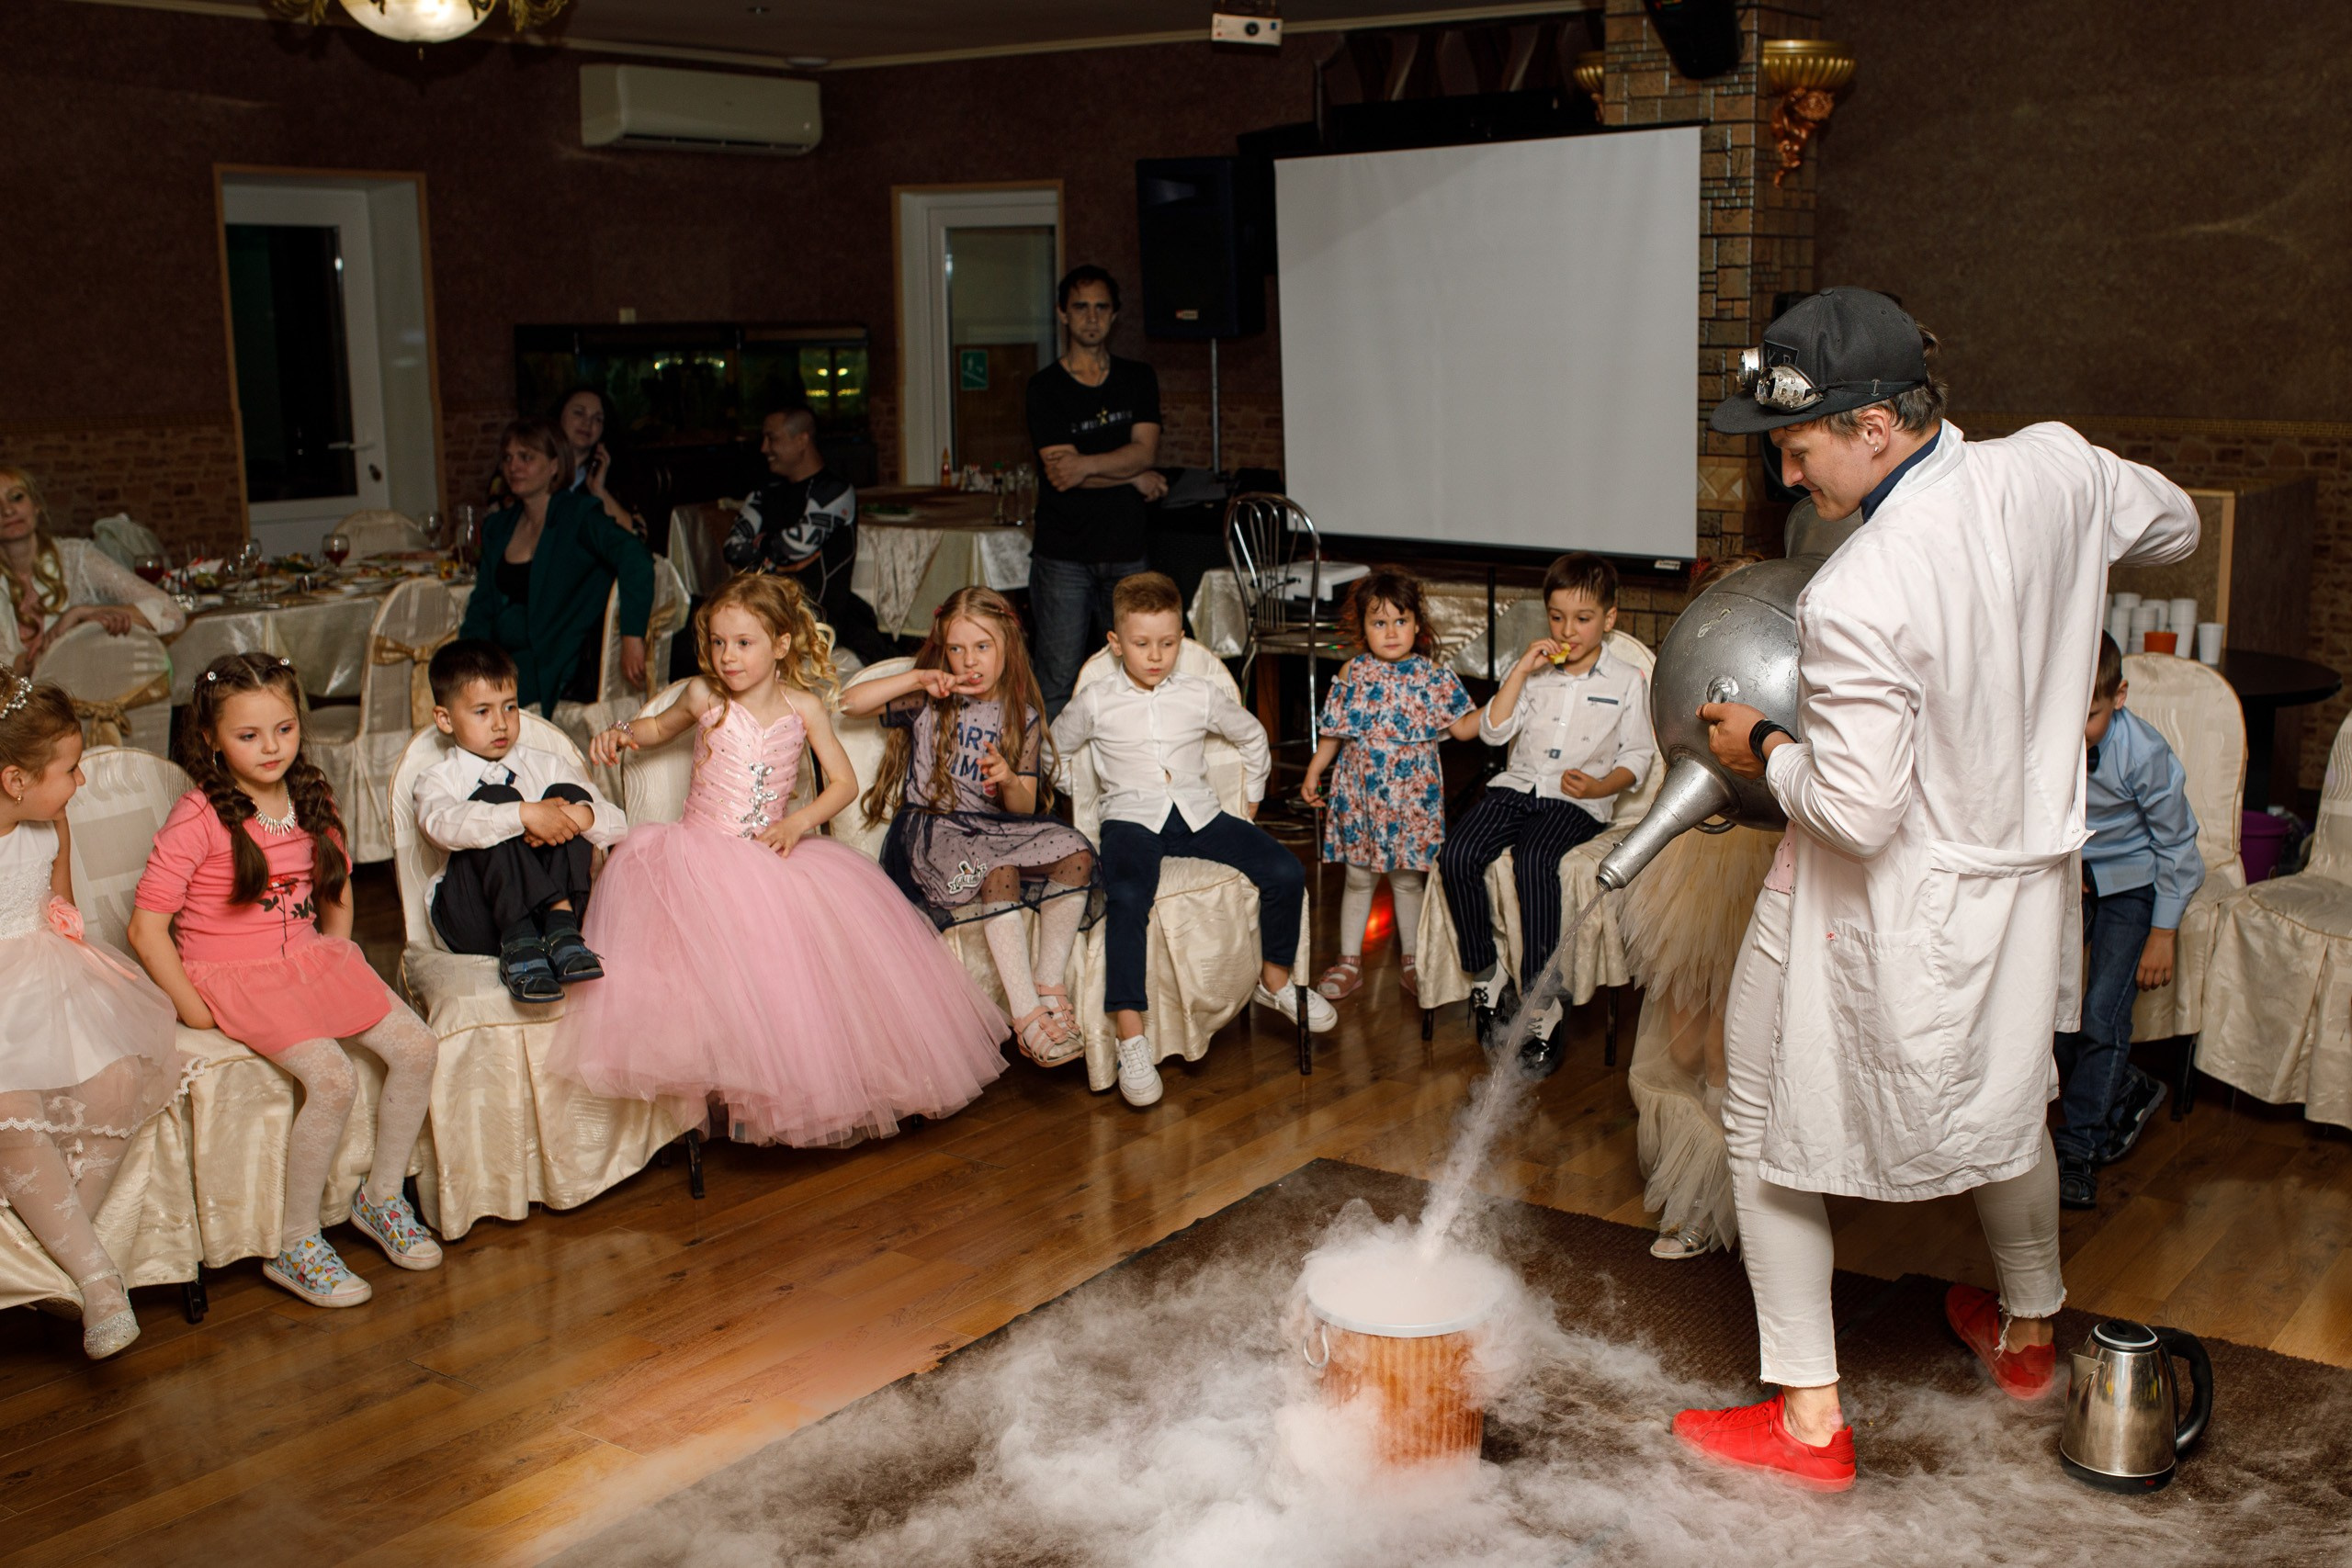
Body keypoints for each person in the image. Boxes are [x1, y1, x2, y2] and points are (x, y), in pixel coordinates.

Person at [1675, 288, 2199, 1492]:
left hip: (1890, 897)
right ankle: (2025, 1334)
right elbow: (2167, 526)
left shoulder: (1861, 590)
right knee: (2012, 1092)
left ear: (1871, 427)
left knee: (1760, 1115)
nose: (1788, 475)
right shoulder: (2058, 467)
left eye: (1795, 448)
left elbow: (1855, 808)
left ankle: (1809, 1419)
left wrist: (1763, 745)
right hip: (2028, 886)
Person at [560, 573, 1007, 1147]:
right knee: (706, 960)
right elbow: (654, 729)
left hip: (772, 856)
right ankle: (707, 1101)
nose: (727, 657)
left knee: (787, 966)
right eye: (719, 642)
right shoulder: (703, 697)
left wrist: (797, 822)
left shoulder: (804, 707)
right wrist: (620, 733)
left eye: (743, 643)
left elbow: (843, 783)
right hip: (695, 853)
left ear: (779, 644)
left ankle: (783, 1097)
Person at [128, 652, 445, 1310]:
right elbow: (145, 927)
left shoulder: (310, 793)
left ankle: (380, 1197)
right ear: (211, 737)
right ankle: (295, 1241)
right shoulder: (198, 816)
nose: (270, 747)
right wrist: (195, 1008)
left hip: (307, 957)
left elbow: (336, 888)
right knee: (331, 1077)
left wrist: (336, 960)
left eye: (284, 729)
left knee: (418, 1046)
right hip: (236, 975)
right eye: (248, 735)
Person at [1049, 571, 1334, 1109]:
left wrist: (1251, 797)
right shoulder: (1095, 701)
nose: (1156, 655)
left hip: (1200, 814)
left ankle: (1275, 981)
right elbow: (1051, 750)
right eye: (1141, 644)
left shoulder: (1199, 694)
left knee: (1284, 870)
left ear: (1182, 636)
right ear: (1115, 643)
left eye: (1168, 642)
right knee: (1129, 899)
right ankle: (1132, 1037)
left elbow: (1251, 735)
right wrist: (1076, 791)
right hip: (1130, 820)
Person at [0, 675, 189, 1359]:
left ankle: (57, 1267)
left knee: (116, 1082)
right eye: (71, 769)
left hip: (48, 971)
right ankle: (97, 1277)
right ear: (15, 778)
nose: (82, 780)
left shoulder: (49, 819)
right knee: (9, 1104)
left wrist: (64, 933)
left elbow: (61, 906)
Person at [845, 587, 1102, 1066]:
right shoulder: (928, 700)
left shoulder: (1019, 716)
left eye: (982, 647)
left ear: (1007, 645)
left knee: (1076, 851)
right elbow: (848, 703)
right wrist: (918, 677)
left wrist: (1007, 778)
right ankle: (1025, 1019)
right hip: (934, 831)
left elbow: (1023, 809)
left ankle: (1050, 986)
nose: (968, 662)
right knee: (996, 869)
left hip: (993, 827)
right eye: (956, 649)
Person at [1439, 553, 1654, 1077]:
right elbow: (1491, 733)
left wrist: (1603, 784)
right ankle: (1486, 974)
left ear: (1610, 618)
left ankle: (1542, 1000)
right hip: (1517, 788)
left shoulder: (1628, 679)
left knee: (1535, 859)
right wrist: (1519, 670)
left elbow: (1639, 756)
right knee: (1457, 853)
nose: (1568, 629)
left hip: (1575, 800)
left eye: (1582, 618)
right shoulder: (1535, 674)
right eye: (1557, 617)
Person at [1620, 555, 1776, 1261]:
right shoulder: (1684, 678)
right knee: (1677, 1046)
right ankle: (1694, 1188)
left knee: (1728, 1056)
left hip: (1759, 869)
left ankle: (1709, 1215)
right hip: (1693, 870)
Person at [2061, 633, 2199, 1208]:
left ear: (2118, 697)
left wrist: (2163, 933)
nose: (2074, 728)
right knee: (2053, 1004)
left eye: (2088, 714)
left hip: (2132, 887)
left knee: (2101, 1014)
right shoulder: (2051, 739)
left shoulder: (2144, 754)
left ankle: (2078, 1150)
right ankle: (2122, 1085)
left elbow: (2179, 845)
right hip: (2071, 879)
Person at [1298, 568, 1479, 1002]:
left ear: (1417, 624)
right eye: (1379, 623)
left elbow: (1465, 728)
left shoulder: (1433, 677)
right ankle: (1348, 962)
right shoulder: (1352, 673)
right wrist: (1313, 770)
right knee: (1358, 879)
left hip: (1411, 799)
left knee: (1406, 882)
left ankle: (1414, 961)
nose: (1391, 632)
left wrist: (1512, 699)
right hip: (1358, 797)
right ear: (1363, 628)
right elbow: (1334, 733)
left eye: (1401, 621)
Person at [414, 639, 628, 1005]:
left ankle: (561, 931)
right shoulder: (437, 778)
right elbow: (440, 826)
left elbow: (618, 823)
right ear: (445, 719)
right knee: (496, 798)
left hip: (553, 922)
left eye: (509, 707)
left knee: (569, 796)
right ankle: (521, 942)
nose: (501, 723)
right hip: (475, 919)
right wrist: (524, 814)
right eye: (482, 712)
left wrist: (576, 816)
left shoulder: (547, 763)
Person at [1026, 266, 1168, 716]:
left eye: (1101, 307)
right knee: (1057, 678)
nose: (1091, 317)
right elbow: (1060, 474)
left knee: (1137, 673)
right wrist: (1127, 472)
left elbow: (1145, 452)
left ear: (1115, 315)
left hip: (1127, 548)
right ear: (1063, 314)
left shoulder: (1138, 377)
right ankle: (1047, 786)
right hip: (1063, 554)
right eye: (1081, 307)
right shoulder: (1044, 387)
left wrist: (1088, 464)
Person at [458, 417, 654, 716]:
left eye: (526, 457)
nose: (513, 467)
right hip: (504, 660)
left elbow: (636, 558)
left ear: (553, 466)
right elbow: (481, 607)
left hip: (557, 660)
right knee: (450, 690)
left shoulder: (577, 515)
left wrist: (632, 635)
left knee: (476, 709)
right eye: (508, 458)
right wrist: (470, 663)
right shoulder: (500, 526)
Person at [722, 404, 890, 668]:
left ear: (802, 440)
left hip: (821, 622)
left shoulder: (834, 491)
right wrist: (776, 555)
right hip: (765, 618)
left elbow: (792, 547)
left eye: (772, 438)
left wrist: (761, 546)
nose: (764, 448)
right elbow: (732, 549)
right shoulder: (763, 493)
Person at [0, 464, 185, 674]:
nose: (7, 510)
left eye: (16, 497)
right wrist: (51, 647)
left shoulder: (76, 558)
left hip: (93, 695)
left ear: (36, 505)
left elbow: (171, 613)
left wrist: (83, 615)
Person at [553, 386, 641, 537]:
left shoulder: (614, 476)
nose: (587, 423)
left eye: (597, 419)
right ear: (560, 415)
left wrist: (598, 491)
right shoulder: (532, 469)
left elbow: (638, 535)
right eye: (579, 413)